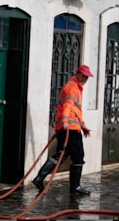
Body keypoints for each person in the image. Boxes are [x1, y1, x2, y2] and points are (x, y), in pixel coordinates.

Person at [32, 64, 93, 196]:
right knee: (78, 156)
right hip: (70, 129)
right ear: (78, 73)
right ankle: (75, 187)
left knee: (61, 155)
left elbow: (76, 112)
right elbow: (68, 106)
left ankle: (39, 178)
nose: (85, 79)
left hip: (68, 128)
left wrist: (83, 126)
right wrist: (65, 121)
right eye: (84, 76)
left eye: (87, 77)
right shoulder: (72, 87)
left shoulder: (75, 87)